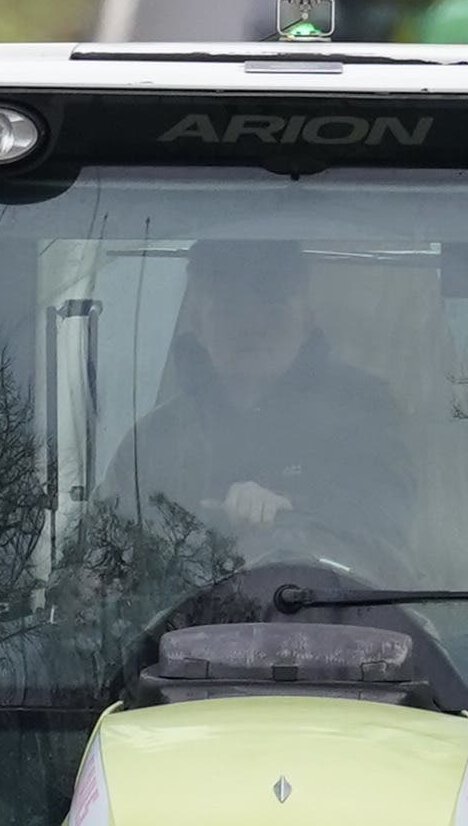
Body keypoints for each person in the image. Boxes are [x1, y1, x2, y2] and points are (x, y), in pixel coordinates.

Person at [107, 239, 421, 576]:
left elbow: (389, 521)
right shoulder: (153, 444)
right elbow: (105, 552)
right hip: (185, 624)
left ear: (307, 321)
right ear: (198, 325)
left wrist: (292, 509)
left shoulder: (366, 415)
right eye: (228, 310)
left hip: (348, 621)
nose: (252, 328)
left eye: (274, 307)